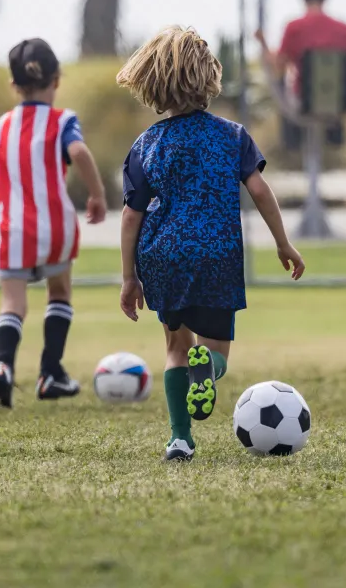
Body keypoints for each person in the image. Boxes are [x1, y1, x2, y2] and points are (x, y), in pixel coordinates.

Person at [115, 25, 306, 462]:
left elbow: (130, 215)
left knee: (174, 349)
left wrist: (129, 278)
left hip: (162, 256)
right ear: (210, 78)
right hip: (216, 253)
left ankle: (180, 439)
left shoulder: (146, 145)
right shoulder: (232, 136)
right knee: (213, 351)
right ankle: (211, 369)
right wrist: (283, 243)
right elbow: (259, 191)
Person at [0, 38, 108, 408]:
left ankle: (2, 367)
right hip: (54, 228)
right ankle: (50, 373)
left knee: (12, 304)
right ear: (57, 80)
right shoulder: (63, 120)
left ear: (14, 86)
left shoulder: (1, 126)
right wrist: (97, 194)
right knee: (59, 292)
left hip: (11, 230)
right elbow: (77, 151)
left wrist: (7, 204)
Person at [254, 0, 346, 148]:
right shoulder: (344, 29)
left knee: (281, 80)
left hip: (303, 103)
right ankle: (334, 134)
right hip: (339, 103)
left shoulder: (294, 28)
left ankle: (292, 141)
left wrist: (263, 44)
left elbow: (278, 66)